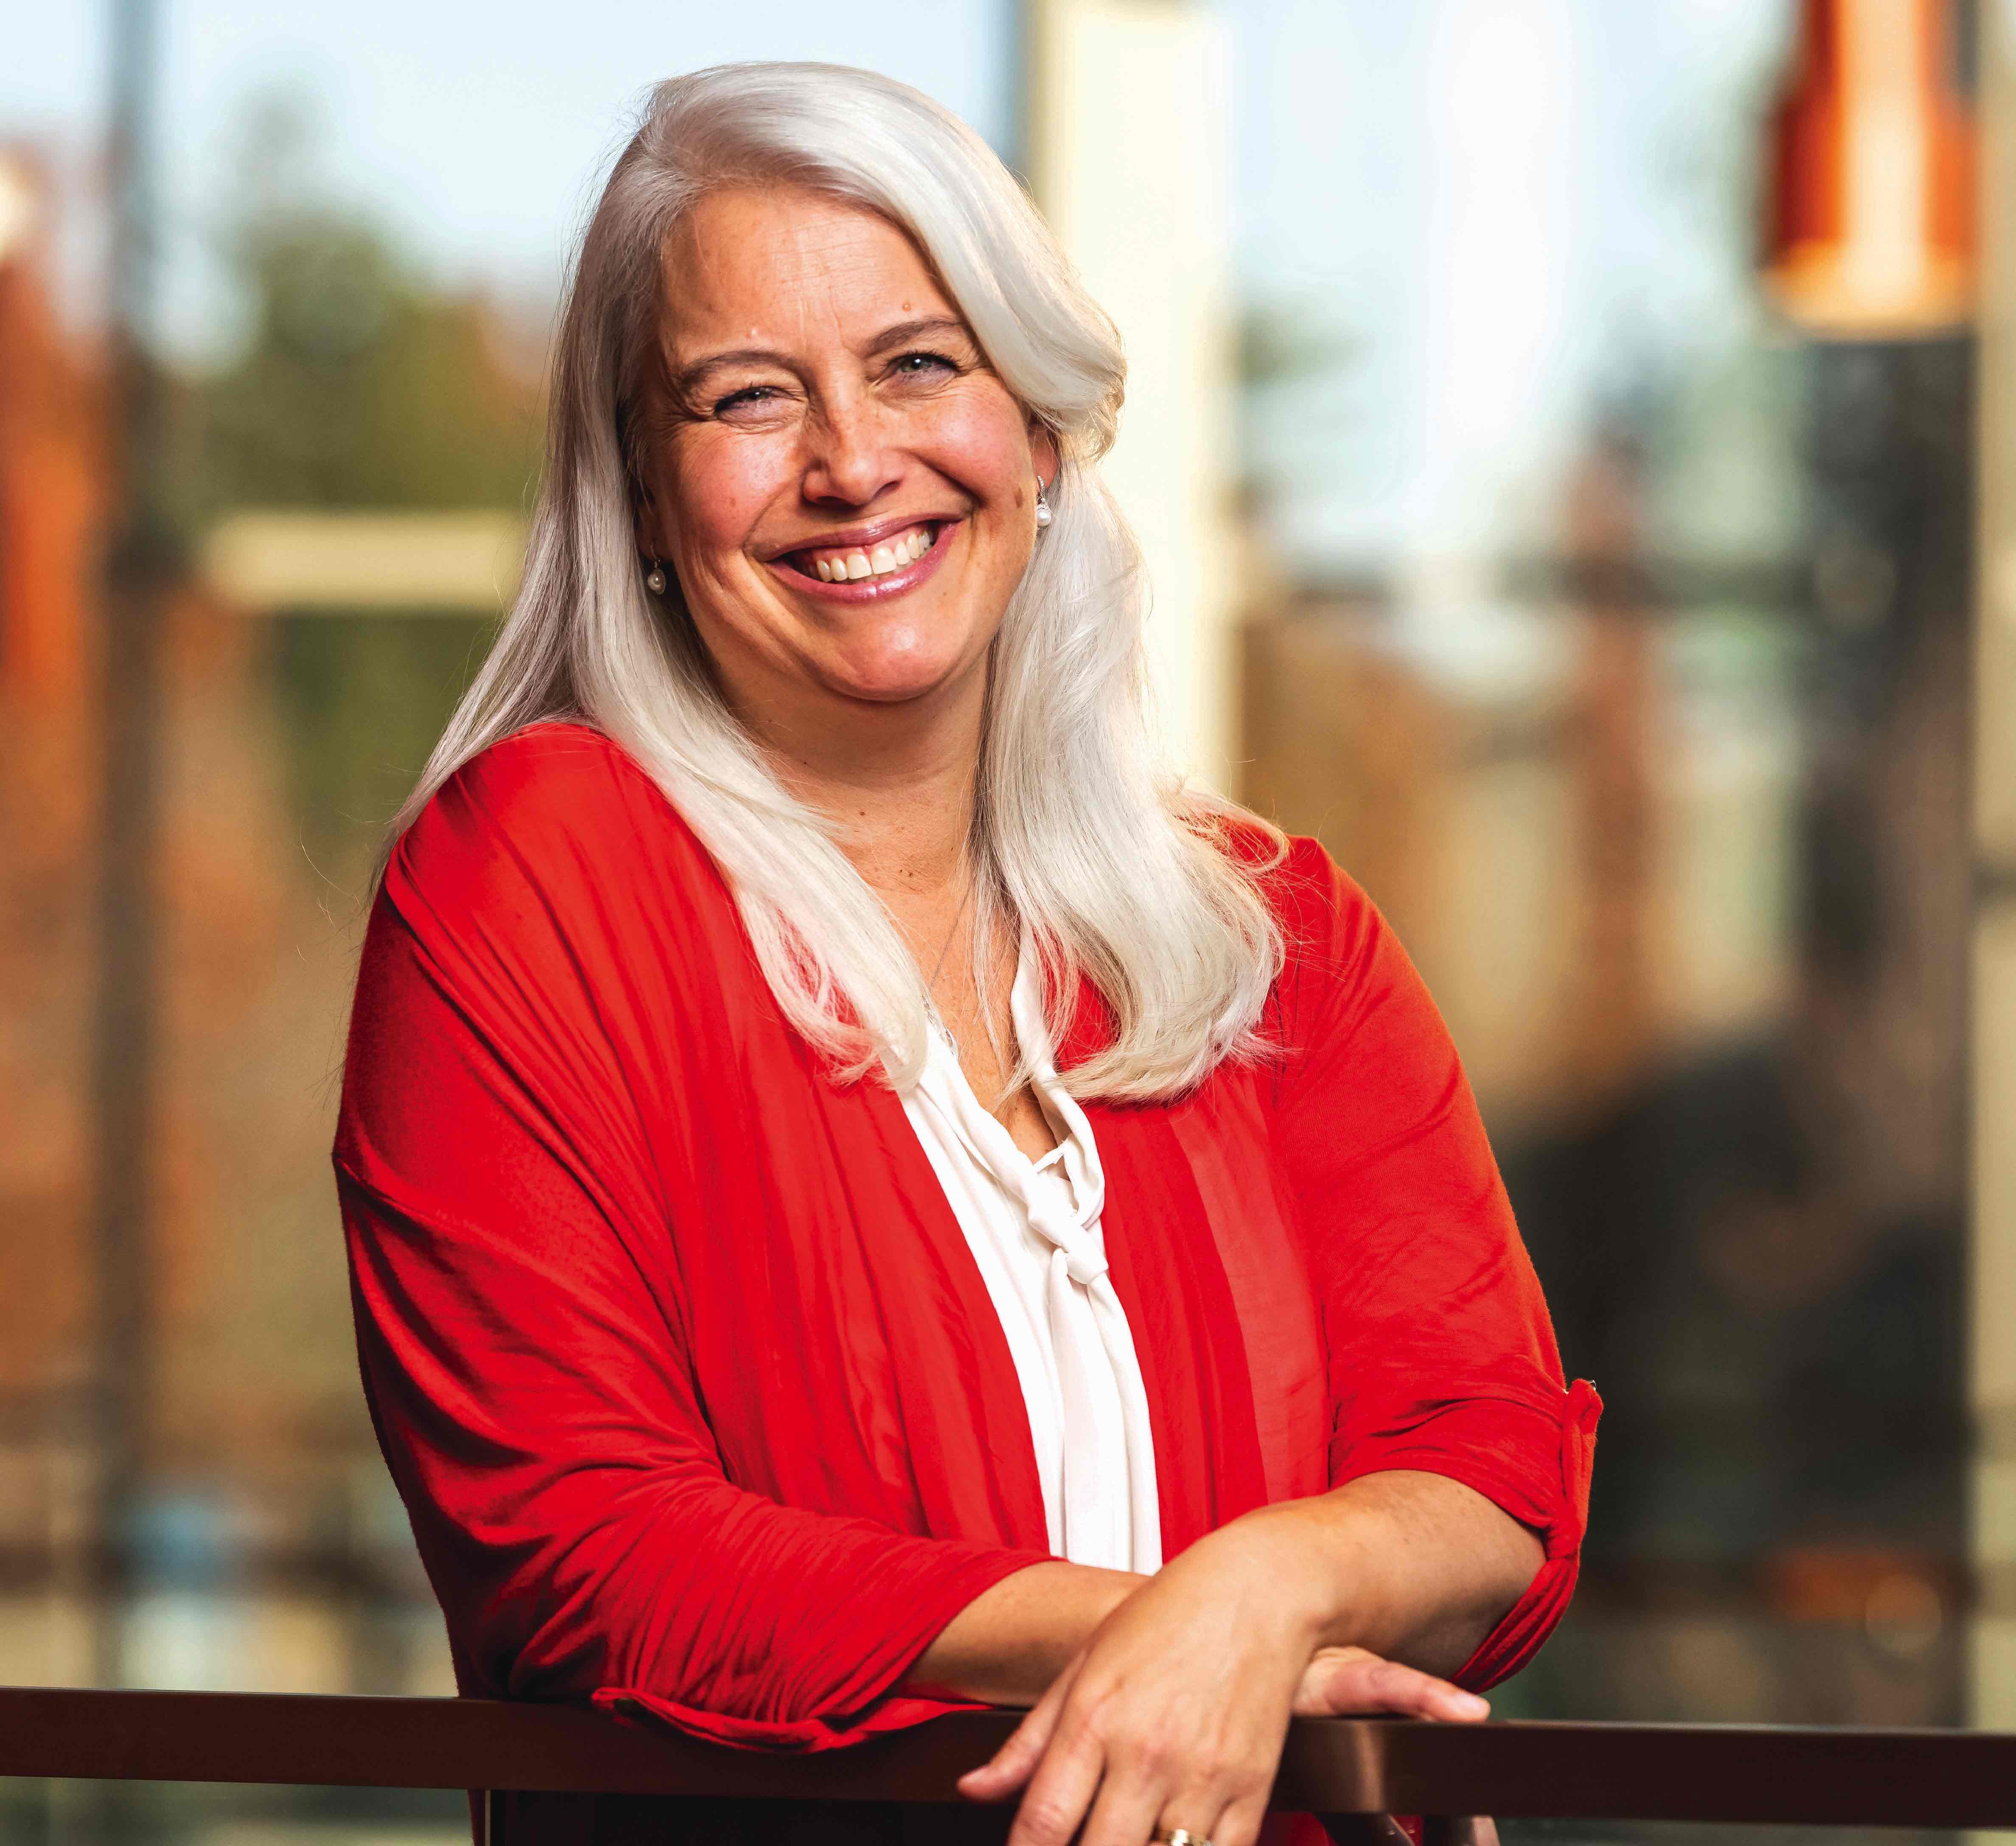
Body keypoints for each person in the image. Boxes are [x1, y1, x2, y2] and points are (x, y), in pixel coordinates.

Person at [334, 61, 1599, 1846]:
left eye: (920, 363)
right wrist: (1176, 1643)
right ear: (640, 489)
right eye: (749, 396)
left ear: (1040, 430)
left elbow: (1490, 1465)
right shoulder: (531, 877)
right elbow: (582, 1548)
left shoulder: (1277, 935)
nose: (854, 463)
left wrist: (1269, 1592)